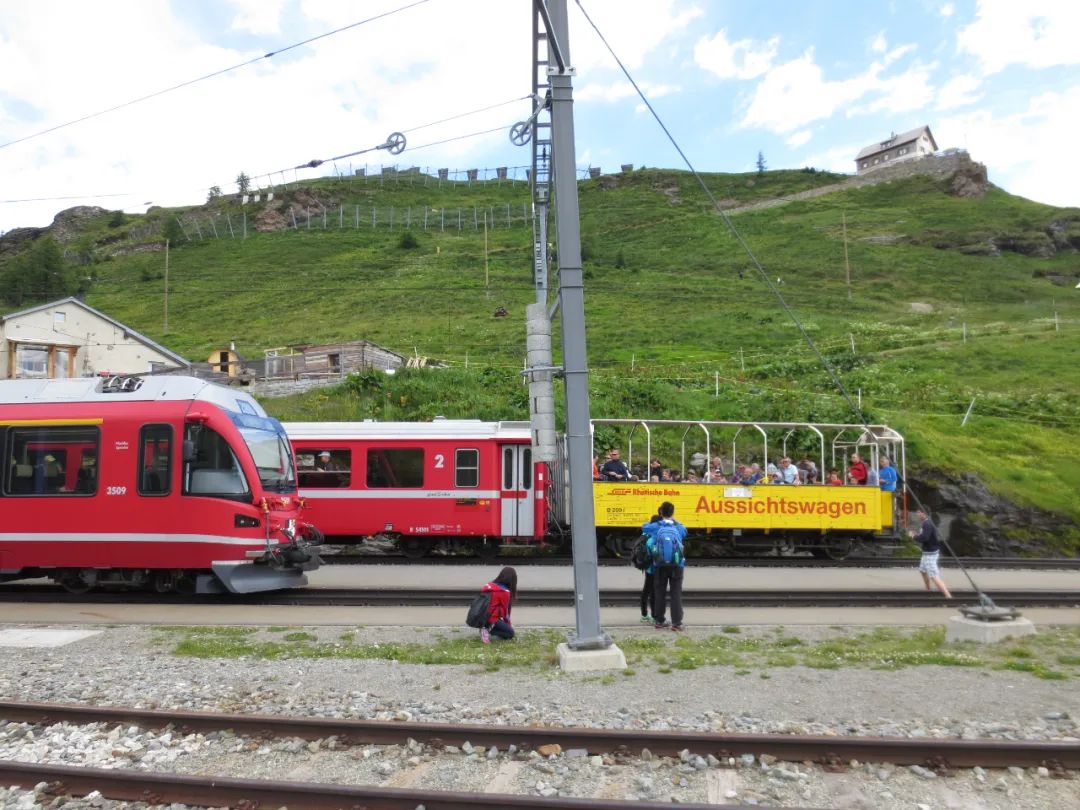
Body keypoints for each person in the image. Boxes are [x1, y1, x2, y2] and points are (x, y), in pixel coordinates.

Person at [642, 501, 688, 632]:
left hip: (660, 564)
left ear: (661, 512)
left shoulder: (656, 527)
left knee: (659, 592)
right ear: (673, 512)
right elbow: (685, 531)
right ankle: (677, 623)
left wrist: (659, 521)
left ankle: (659, 621)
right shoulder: (678, 527)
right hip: (677, 564)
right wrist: (675, 520)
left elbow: (644, 527)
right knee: (676, 593)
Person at [910, 510, 952, 599]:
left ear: (923, 513)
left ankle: (948, 596)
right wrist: (917, 536)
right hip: (927, 553)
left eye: (918, 512)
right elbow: (925, 536)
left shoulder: (927, 524)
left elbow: (925, 538)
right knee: (922, 570)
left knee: (934, 576)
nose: (917, 514)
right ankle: (928, 590)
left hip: (930, 554)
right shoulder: (926, 523)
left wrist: (914, 536)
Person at [479, 566, 517, 643]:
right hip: (491, 617)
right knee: (510, 634)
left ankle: (485, 627)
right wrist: (508, 625)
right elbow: (505, 613)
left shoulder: (490, 585)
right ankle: (487, 630)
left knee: (503, 626)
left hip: (480, 615)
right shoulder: (505, 592)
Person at [639, 514, 660, 623]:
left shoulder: (645, 533)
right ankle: (653, 616)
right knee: (653, 592)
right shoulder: (653, 537)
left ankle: (644, 614)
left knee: (646, 590)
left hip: (647, 567)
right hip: (653, 568)